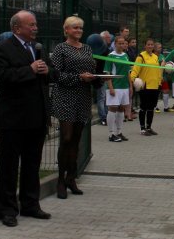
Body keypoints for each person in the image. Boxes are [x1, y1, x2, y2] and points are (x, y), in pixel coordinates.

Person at [0, 10, 54, 227]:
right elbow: (0, 76)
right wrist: (29, 69)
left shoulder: (38, 49)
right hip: (13, 118)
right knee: (9, 165)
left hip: (36, 117)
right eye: (31, 25)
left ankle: (30, 204)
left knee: (32, 163)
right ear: (17, 28)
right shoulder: (3, 48)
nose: (35, 28)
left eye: (36, 24)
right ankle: (7, 209)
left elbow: (49, 74)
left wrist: (47, 71)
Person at [50, 16, 97, 199]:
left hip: (83, 96)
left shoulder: (87, 48)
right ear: (67, 30)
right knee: (66, 138)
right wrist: (78, 78)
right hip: (66, 96)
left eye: (80, 28)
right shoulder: (61, 48)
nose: (78, 31)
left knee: (77, 139)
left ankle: (71, 177)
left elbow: (91, 69)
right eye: (75, 28)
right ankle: (60, 179)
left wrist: (96, 77)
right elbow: (56, 74)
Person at [104, 35, 133, 142]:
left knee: (121, 109)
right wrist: (110, 87)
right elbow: (107, 73)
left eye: (123, 43)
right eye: (119, 43)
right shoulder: (110, 56)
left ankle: (119, 132)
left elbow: (128, 72)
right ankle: (111, 134)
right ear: (115, 44)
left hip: (125, 87)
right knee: (113, 108)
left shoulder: (126, 55)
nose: (121, 45)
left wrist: (130, 86)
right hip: (115, 87)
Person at [131, 38, 162, 135]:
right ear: (145, 46)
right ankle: (142, 129)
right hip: (145, 86)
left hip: (155, 86)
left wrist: (159, 82)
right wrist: (133, 81)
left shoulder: (155, 57)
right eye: (148, 44)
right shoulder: (141, 56)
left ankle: (149, 127)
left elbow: (158, 71)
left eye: (152, 45)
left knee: (151, 107)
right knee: (143, 107)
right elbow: (135, 71)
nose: (150, 46)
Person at [95, 30, 112, 125]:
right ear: (103, 38)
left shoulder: (107, 49)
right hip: (100, 75)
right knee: (101, 97)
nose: (110, 38)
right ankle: (103, 117)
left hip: (106, 74)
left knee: (105, 96)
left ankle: (106, 115)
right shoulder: (100, 49)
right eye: (108, 37)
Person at [155, 42, 173, 112]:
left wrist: (168, 66)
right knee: (156, 91)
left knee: (166, 90)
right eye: (159, 47)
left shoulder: (162, 56)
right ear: (155, 48)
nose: (160, 49)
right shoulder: (153, 56)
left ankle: (166, 107)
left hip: (163, 76)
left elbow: (164, 64)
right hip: (156, 77)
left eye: (161, 47)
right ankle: (155, 107)